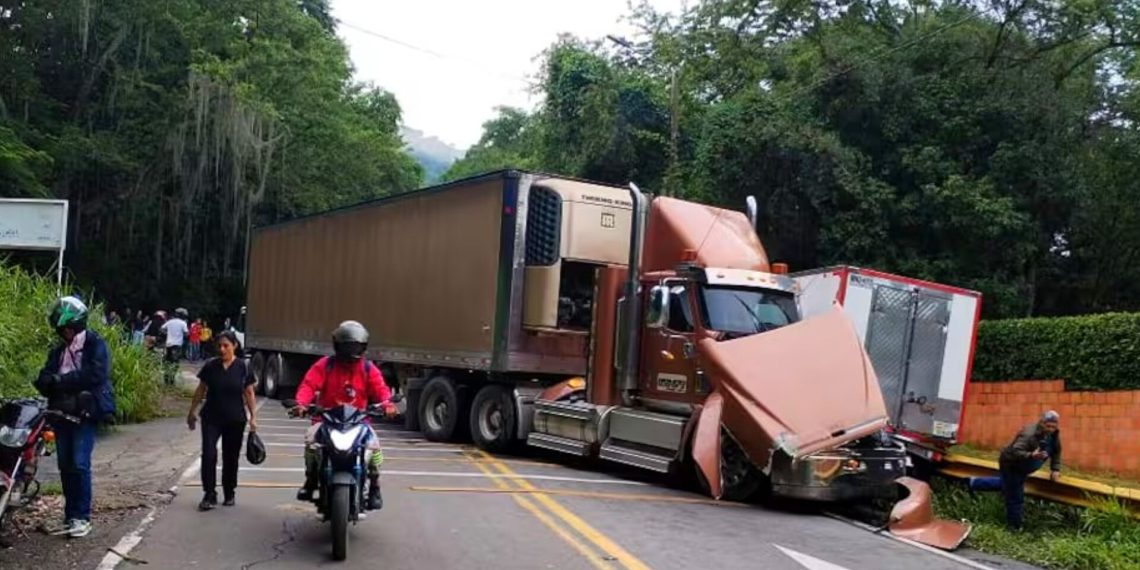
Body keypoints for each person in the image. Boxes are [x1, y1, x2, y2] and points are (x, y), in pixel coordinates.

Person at [33, 296, 116, 539]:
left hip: (84, 412)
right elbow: (46, 375)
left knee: (80, 464)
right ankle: (70, 515)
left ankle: (82, 517)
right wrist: (46, 382)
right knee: (65, 465)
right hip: (60, 412)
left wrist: (61, 381)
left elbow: (96, 374)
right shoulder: (58, 351)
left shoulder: (94, 343)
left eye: (67, 328)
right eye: (62, 329)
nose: (65, 332)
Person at [292, 321, 396, 511]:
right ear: (338, 345)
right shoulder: (326, 365)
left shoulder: (367, 368)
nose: (351, 351)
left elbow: (381, 389)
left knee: (374, 446)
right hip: (326, 420)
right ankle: (311, 479)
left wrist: (387, 404)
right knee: (311, 442)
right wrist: (301, 404)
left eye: (355, 346)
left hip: (358, 421)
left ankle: (375, 486)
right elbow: (308, 385)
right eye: (348, 345)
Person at [185, 331, 257, 510]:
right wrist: (192, 412)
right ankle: (209, 493)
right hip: (211, 418)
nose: (222, 349)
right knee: (208, 454)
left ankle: (229, 491)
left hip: (235, 419)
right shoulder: (211, 366)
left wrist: (253, 417)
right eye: (219, 346)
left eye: (226, 346)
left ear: (235, 346)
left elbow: (249, 392)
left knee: (230, 457)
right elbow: (201, 390)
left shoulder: (243, 367)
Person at [968, 410, 1062, 530]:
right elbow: (1015, 451)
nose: (1050, 429)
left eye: (1053, 426)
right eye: (1048, 426)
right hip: (1012, 464)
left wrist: (1055, 468)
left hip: (1024, 466)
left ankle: (972, 482)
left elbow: (1056, 450)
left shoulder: (1053, 434)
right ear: (1042, 423)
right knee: (1015, 497)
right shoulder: (1029, 434)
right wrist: (1031, 455)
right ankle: (1014, 528)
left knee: (1008, 485)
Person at [161, 309, 189, 385]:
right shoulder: (183, 323)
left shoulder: (170, 321)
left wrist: (167, 334)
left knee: (167, 361)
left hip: (168, 344)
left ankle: (166, 379)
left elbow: (162, 329)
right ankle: (172, 380)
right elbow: (187, 334)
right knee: (175, 363)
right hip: (177, 345)